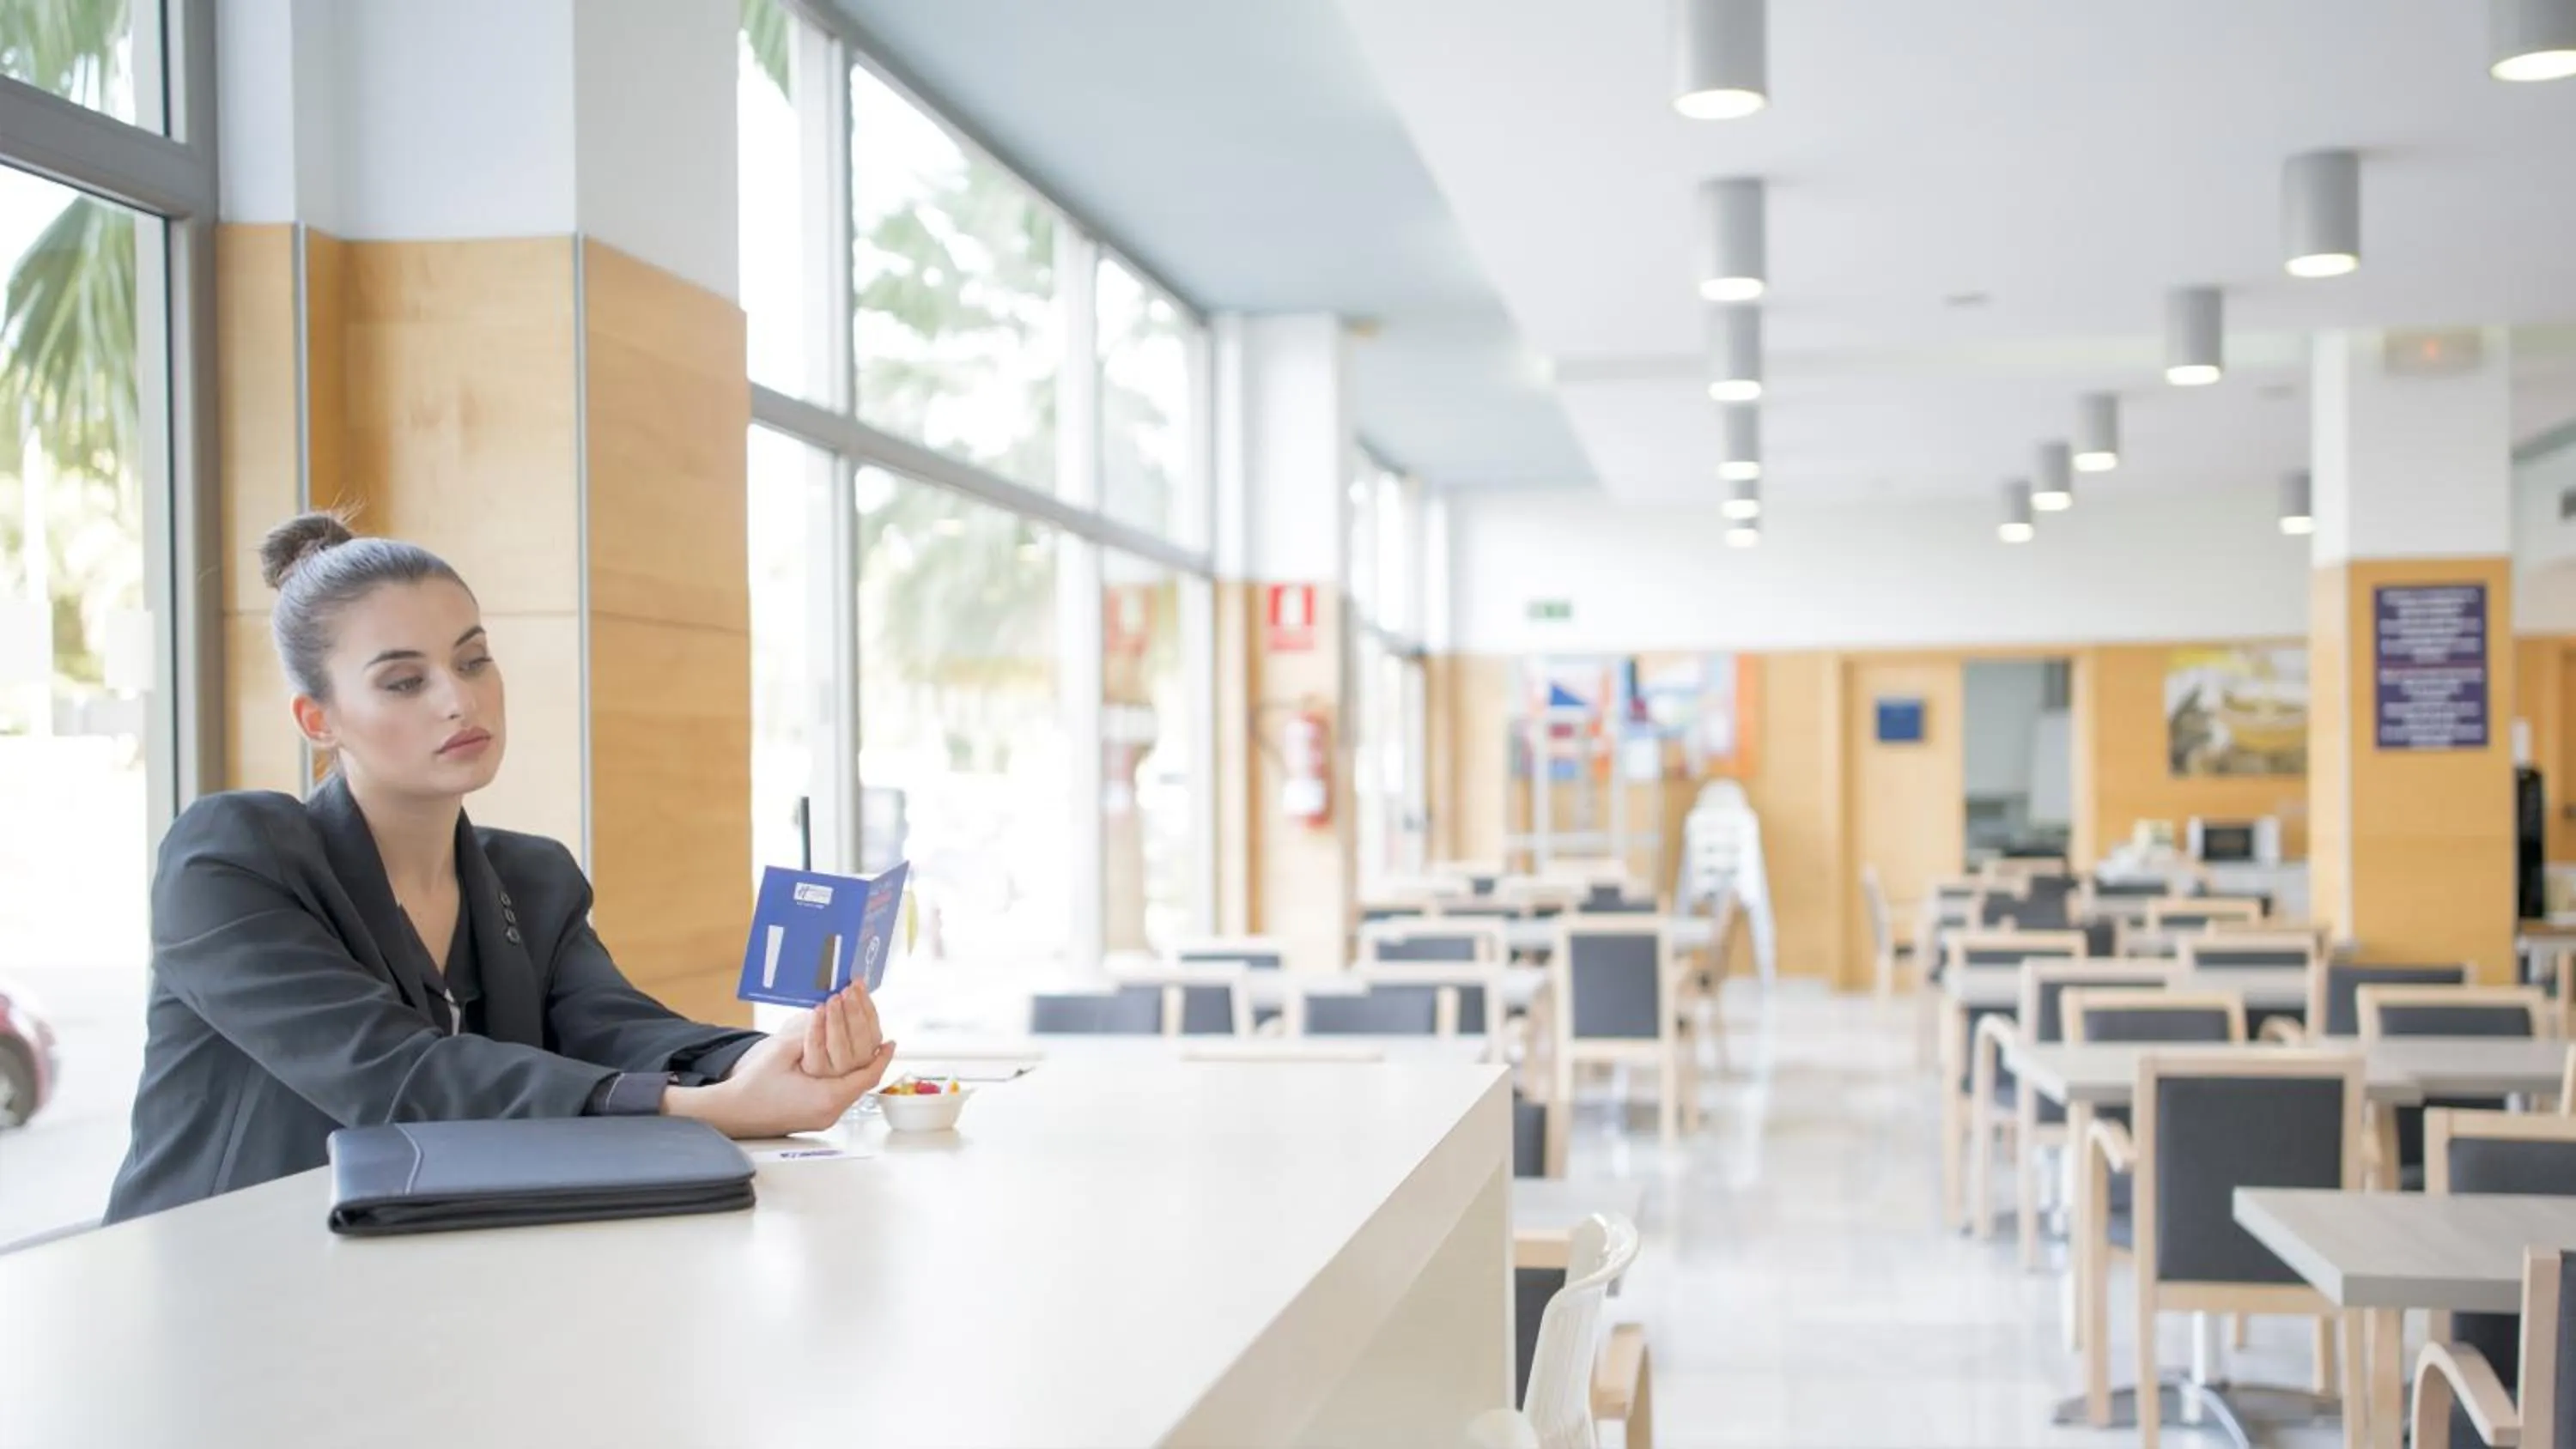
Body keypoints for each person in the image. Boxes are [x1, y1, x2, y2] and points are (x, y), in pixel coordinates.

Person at [104, 513, 896, 1223]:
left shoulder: (530, 877)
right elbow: (394, 1076)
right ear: (320, 720)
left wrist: (759, 1057)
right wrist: (713, 1110)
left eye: (473, 660)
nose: (458, 700)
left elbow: (614, 1028)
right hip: (215, 1282)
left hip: (422, 1275)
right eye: (405, 681)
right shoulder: (231, 857)